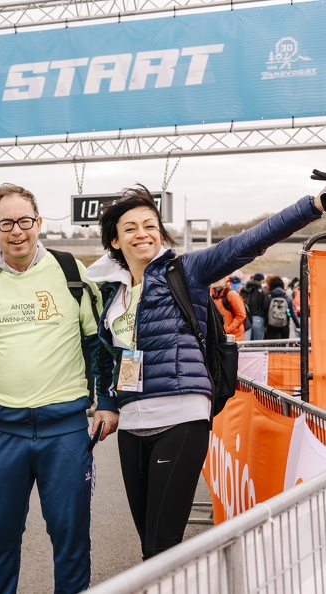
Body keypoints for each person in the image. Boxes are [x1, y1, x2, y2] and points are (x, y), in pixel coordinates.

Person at [85, 182, 325, 560]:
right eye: (129, 228)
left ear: (161, 234)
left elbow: (250, 241)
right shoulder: (114, 294)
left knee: (162, 547)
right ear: (115, 241)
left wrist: (313, 204)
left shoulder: (187, 270)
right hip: (131, 424)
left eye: (149, 225)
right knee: (148, 539)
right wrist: (105, 402)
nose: (141, 234)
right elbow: (105, 356)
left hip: (181, 416)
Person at [0, 183, 114, 594]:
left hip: (64, 432)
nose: (17, 231)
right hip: (0, 433)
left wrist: (106, 400)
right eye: (6, 223)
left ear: (39, 222)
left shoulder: (70, 271)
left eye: (25, 221)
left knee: (71, 541)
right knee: (0, 544)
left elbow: (99, 344)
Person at [264, 274, 300, 340]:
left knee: (271, 346)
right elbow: (292, 313)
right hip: (285, 325)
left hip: (271, 325)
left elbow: (265, 310)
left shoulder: (268, 296)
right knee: (284, 346)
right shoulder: (288, 298)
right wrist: (298, 325)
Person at [211, 275, 247, 341]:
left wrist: (227, 330)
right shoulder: (213, 296)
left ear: (225, 278)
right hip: (221, 336)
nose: (216, 279)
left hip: (233, 337)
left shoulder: (231, 294)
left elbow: (241, 315)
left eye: (219, 277)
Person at [240, 272, 269, 341]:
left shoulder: (243, 289)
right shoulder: (262, 291)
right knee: (258, 343)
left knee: (246, 342)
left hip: (245, 318)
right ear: (261, 280)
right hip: (258, 317)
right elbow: (266, 305)